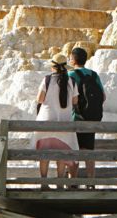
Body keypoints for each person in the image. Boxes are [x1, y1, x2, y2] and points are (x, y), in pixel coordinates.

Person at [34, 53, 79, 181]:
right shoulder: (72, 82)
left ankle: (44, 183)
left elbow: (40, 99)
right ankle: (59, 183)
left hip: (46, 122)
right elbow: (75, 101)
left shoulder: (47, 80)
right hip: (64, 122)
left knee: (44, 154)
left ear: (53, 67)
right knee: (62, 153)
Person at [68, 47, 106, 183]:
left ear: (73, 60)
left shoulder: (70, 75)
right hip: (91, 119)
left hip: (76, 119)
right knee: (89, 151)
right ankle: (91, 183)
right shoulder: (94, 75)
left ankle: (73, 183)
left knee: (74, 151)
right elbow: (103, 96)